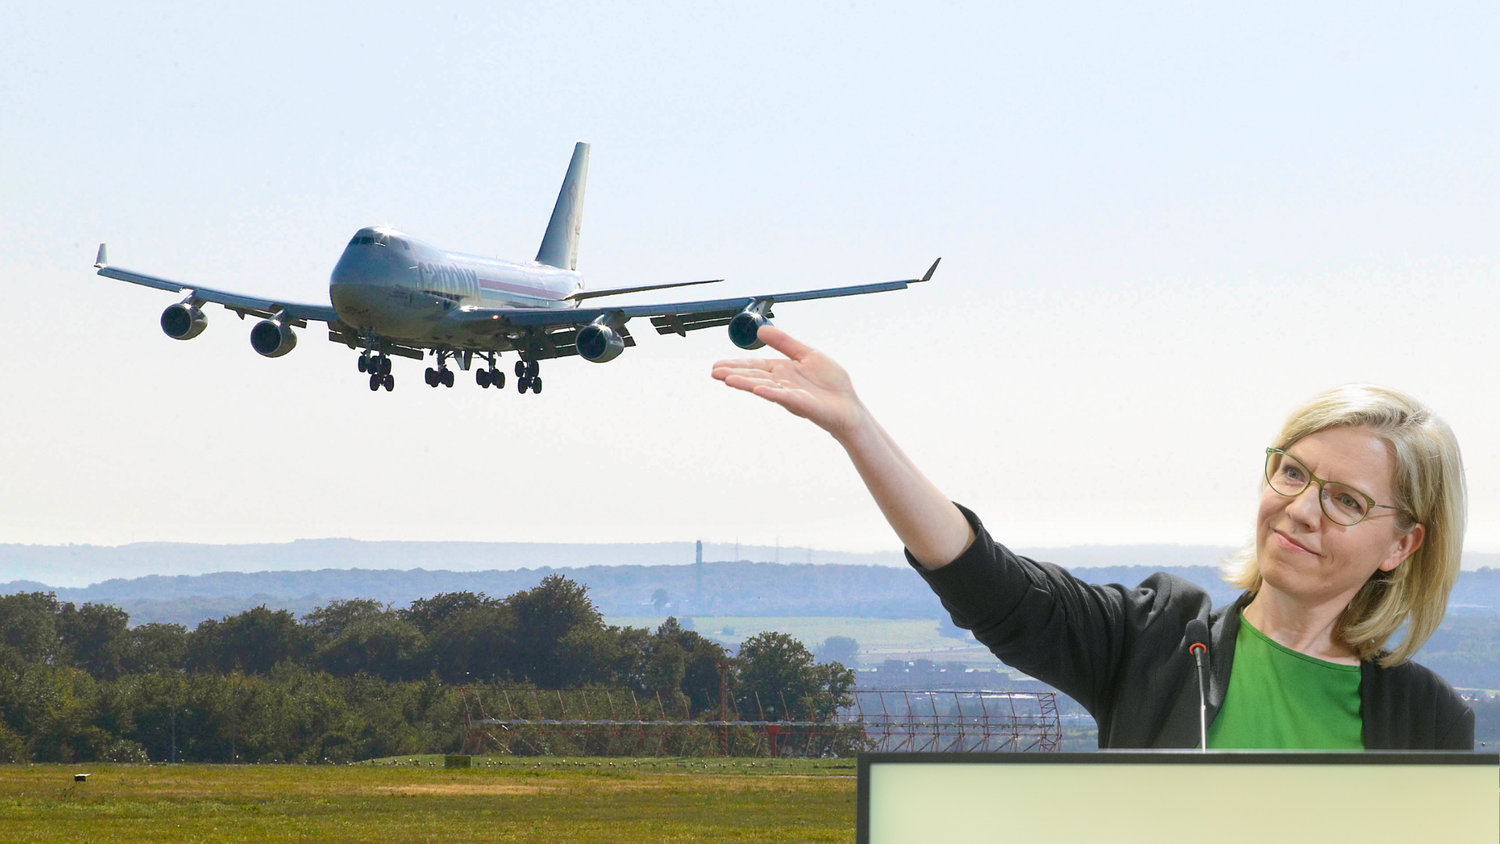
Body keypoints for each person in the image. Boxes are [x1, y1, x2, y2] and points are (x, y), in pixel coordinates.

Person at [711, 326, 1473, 750]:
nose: (1302, 510)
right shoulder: (1159, 640)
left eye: (1345, 501)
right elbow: (988, 584)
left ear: (1402, 546)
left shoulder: (1428, 719)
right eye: (1294, 473)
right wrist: (858, 429)